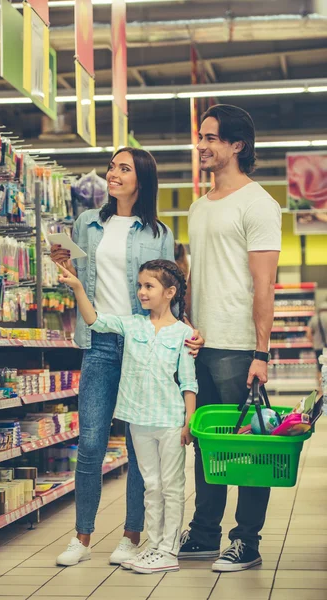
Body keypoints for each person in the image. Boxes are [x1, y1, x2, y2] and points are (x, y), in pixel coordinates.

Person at [52, 147, 203, 567]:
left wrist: (185, 330)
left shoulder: (157, 231)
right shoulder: (87, 224)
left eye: (123, 169)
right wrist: (63, 264)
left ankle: (131, 534)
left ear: (142, 179)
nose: (112, 174)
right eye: (112, 167)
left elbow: (166, 286)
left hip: (143, 345)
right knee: (91, 441)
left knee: (141, 449)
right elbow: (79, 278)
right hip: (101, 341)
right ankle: (81, 538)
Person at [180, 104, 282, 572]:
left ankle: (247, 540)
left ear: (236, 145)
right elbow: (198, 278)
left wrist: (261, 352)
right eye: (201, 137)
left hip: (239, 347)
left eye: (211, 138)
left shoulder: (258, 203)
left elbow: (264, 286)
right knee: (206, 445)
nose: (202, 145)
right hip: (201, 345)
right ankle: (204, 533)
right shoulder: (199, 207)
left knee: (247, 445)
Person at [57, 259, 198, 574]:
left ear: (170, 291)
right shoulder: (132, 325)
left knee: (172, 485)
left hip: (171, 422)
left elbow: (189, 382)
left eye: (149, 286)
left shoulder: (183, 334)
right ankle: (155, 545)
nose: (141, 292)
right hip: (138, 420)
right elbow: (94, 320)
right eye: (140, 286)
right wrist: (79, 286)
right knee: (151, 484)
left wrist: (190, 422)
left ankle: (169, 550)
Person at [307, 300, 327, 382]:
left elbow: (308, 334)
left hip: (319, 347)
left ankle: (321, 390)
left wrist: (314, 342)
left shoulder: (314, 318)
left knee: (320, 368)